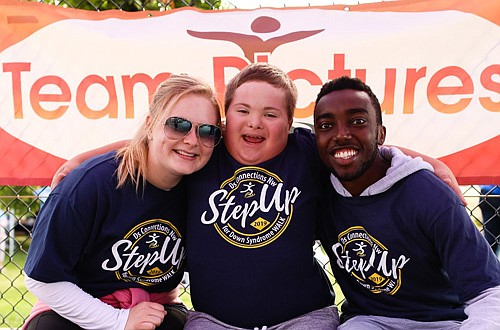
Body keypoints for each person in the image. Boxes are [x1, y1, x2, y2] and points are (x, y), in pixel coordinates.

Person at [50, 63, 462, 330]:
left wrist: (431, 163)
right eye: (242, 111)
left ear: (289, 124)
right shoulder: (203, 152)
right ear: (225, 120)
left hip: (304, 316)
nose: (255, 123)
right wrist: (83, 158)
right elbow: (152, 138)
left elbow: (368, 147)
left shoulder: (305, 152)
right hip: (215, 320)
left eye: (270, 114)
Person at [23, 74, 223, 330]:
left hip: (153, 310)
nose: (192, 140)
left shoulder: (206, 185)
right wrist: (119, 321)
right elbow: (42, 280)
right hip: (77, 309)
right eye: (177, 125)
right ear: (150, 125)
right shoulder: (90, 186)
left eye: (207, 131)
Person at [313, 76, 500, 329]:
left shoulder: (429, 194)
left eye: (357, 122)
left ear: (380, 134)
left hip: (442, 321)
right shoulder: (316, 188)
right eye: (326, 126)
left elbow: (488, 292)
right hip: (370, 321)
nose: (341, 134)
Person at [479, 185, 500, 257]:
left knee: (490, 239)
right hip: (490, 192)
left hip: (488, 192)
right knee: (491, 240)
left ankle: (490, 266)